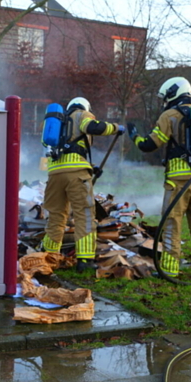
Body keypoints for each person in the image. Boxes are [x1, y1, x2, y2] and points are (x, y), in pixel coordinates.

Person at [131, 77, 191, 280]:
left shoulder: (169, 116)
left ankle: (170, 269)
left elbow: (149, 145)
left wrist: (134, 136)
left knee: (172, 223)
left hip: (178, 180)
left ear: (173, 93)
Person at [41, 97, 123, 271]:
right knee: (84, 215)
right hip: (76, 174)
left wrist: (91, 168)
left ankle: (49, 257)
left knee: (56, 216)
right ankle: (84, 260)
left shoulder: (56, 123)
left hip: (54, 173)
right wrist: (116, 128)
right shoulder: (81, 114)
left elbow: (62, 153)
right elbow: (92, 127)